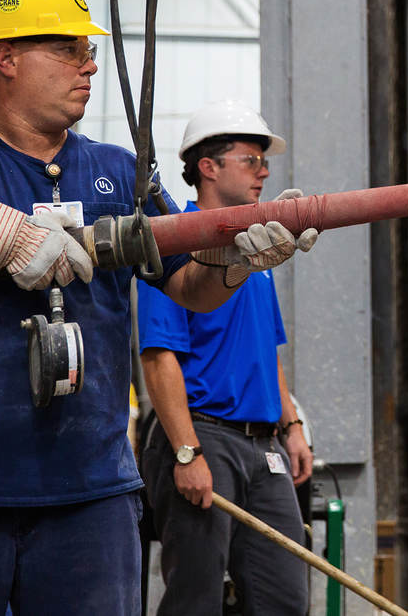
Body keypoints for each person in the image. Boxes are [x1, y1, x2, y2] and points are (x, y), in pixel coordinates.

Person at [0, 0, 313, 615]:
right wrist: (4, 236)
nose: (88, 65)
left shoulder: (120, 171)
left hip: (89, 497)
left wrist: (239, 263)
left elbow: (188, 287)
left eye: (89, 51)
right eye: (69, 49)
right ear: (5, 56)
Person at [137, 100, 314, 616]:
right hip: (202, 436)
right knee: (196, 600)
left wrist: (292, 424)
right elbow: (158, 357)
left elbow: (267, 350)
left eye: (265, 161)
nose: (263, 171)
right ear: (208, 167)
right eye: (250, 159)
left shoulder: (256, 252)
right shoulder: (175, 243)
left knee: (285, 598)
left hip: (265, 444)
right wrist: (187, 454)